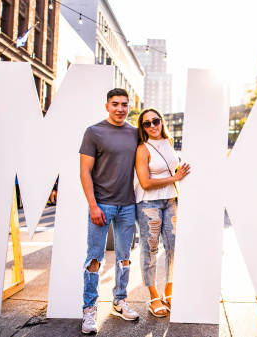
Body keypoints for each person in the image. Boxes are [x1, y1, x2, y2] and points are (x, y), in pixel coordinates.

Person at [79, 88, 140, 334]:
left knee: (125, 258)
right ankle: (89, 310)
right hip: (101, 204)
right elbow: (84, 171)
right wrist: (93, 205)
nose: (120, 109)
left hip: (128, 204)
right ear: (107, 106)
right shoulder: (94, 132)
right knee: (95, 258)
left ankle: (120, 301)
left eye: (124, 104)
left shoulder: (136, 133)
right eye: (115, 104)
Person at [135, 108, 190, 317]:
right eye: (146, 124)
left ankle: (169, 289)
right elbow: (145, 183)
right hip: (149, 203)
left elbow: (174, 168)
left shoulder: (169, 142)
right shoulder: (142, 148)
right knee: (150, 249)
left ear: (161, 121)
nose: (152, 126)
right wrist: (175, 179)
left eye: (155, 121)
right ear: (142, 128)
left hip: (170, 201)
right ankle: (153, 296)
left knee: (174, 245)